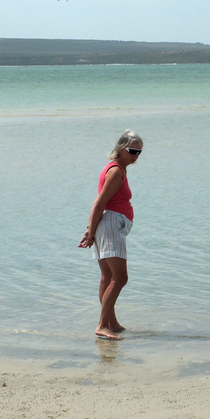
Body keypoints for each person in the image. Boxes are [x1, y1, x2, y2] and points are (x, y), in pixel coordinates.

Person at [78, 130, 143, 340]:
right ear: (121, 149)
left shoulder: (117, 169)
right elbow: (99, 203)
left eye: (139, 152)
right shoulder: (116, 171)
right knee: (120, 277)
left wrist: (92, 229)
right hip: (111, 224)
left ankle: (111, 323)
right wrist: (90, 230)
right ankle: (102, 325)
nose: (136, 156)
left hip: (107, 224)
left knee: (107, 277)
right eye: (133, 151)